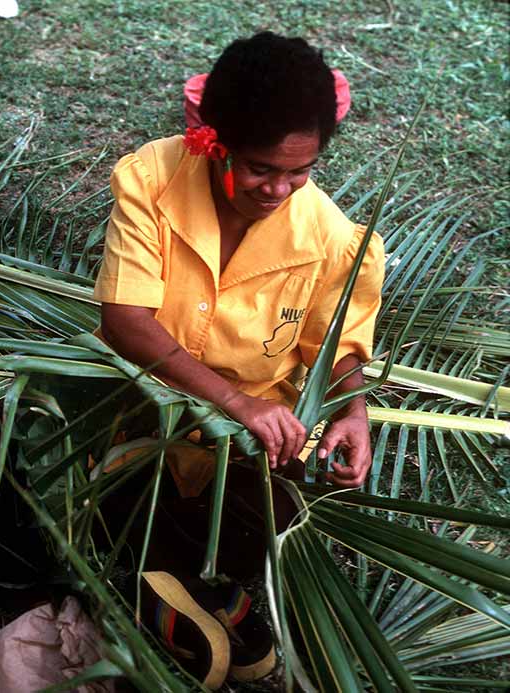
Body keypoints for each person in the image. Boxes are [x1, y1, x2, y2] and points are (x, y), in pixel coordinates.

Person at [92, 32, 384, 688]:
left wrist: (352, 409)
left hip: (243, 447)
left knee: (272, 517)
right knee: (112, 489)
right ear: (212, 141)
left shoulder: (330, 239)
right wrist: (235, 400)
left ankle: (171, 574)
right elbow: (125, 321)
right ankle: (161, 572)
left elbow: (333, 344)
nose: (278, 188)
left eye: (298, 172)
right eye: (259, 167)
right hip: (137, 414)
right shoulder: (151, 181)